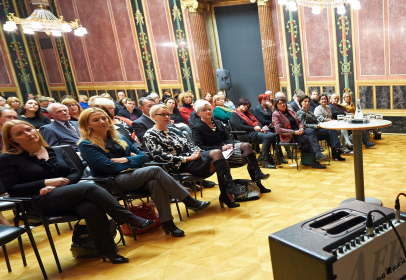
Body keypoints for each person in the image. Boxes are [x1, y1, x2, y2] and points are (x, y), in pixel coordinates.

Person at [0, 120, 156, 263]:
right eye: (20, 133)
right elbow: (12, 188)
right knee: (89, 187)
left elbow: (75, 172)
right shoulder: (8, 158)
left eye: (29, 129)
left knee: (91, 208)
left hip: (65, 194)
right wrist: (45, 182)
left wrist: (59, 185)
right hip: (37, 201)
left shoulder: (55, 151)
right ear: (12, 139)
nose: (28, 134)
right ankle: (127, 217)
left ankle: (109, 252)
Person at [78, 107, 210, 237]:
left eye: (104, 118)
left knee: (155, 183)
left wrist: (126, 159)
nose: (102, 121)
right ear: (87, 125)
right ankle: (188, 200)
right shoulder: (86, 144)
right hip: (111, 181)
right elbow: (109, 167)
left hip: (133, 175)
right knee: (155, 170)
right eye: (96, 120)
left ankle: (168, 223)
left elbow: (144, 156)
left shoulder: (119, 137)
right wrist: (132, 160)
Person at [142, 104, 241, 208]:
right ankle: (228, 191)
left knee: (219, 157)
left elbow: (191, 146)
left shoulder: (174, 130)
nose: (167, 117)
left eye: (168, 114)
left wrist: (196, 152)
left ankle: (227, 191)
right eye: (163, 115)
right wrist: (187, 158)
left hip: (193, 159)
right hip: (178, 165)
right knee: (219, 157)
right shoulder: (150, 134)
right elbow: (159, 156)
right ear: (153, 116)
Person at [192, 100, 269, 192]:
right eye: (204, 110)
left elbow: (229, 137)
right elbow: (200, 146)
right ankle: (241, 187)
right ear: (198, 113)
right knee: (247, 157)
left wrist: (230, 144)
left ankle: (258, 174)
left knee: (246, 146)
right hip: (215, 154)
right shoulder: (197, 127)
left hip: (228, 149)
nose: (208, 112)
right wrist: (221, 148)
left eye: (209, 109)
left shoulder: (218, 123)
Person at [272, 97, 327, 169]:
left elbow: (298, 121)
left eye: (284, 103)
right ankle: (315, 162)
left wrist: (301, 128)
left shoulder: (290, 110)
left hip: (299, 131)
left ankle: (317, 153)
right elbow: (278, 130)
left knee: (312, 131)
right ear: (276, 105)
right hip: (290, 135)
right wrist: (294, 132)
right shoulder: (276, 114)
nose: (283, 104)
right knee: (309, 139)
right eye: (280, 103)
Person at [229, 98, 279, 168]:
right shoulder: (234, 115)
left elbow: (258, 122)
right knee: (267, 137)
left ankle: (272, 157)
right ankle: (264, 160)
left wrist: (259, 127)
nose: (246, 107)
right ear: (239, 105)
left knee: (273, 135)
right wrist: (254, 128)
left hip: (253, 132)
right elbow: (239, 126)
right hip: (243, 134)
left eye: (247, 106)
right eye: (244, 105)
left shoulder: (249, 114)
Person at [298, 95, 345, 161]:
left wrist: (320, 124)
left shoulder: (310, 112)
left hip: (316, 130)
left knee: (330, 130)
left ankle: (336, 152)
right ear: (301, 103)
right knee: (329, 131)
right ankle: (337, 148)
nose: (307, 103)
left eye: (308, 101)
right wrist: (316, 126)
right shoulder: (300, 112)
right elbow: (302, 125)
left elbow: (316, 121)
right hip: (309, 132)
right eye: (305, 101)